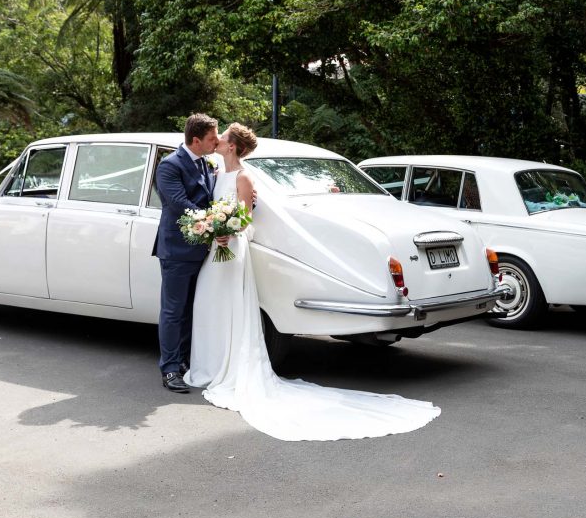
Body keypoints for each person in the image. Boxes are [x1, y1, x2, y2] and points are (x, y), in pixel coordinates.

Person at [184, 122, 441, 441]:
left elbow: (246, 217)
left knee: (231, 307)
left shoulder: (244, 176)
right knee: (210, 305)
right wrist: (213, 228)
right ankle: (209, 368)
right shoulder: (216, 171)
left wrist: (229, 232)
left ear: (233, 146)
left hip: (233, 249)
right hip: (216, 250)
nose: (217, 140)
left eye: (222, 138)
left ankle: (228, 371)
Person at [153, 113, 220, 393]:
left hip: (201, 249)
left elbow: (211, 194)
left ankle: (183, 362)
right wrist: (218, 219)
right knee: (173, 311)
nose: (216, 142)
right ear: (196, 140)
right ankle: (169, 369)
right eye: (212, 138)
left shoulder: (206, 163)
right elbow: (181, 204)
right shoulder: (169, 166)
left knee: (192, 309)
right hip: (177, 250)